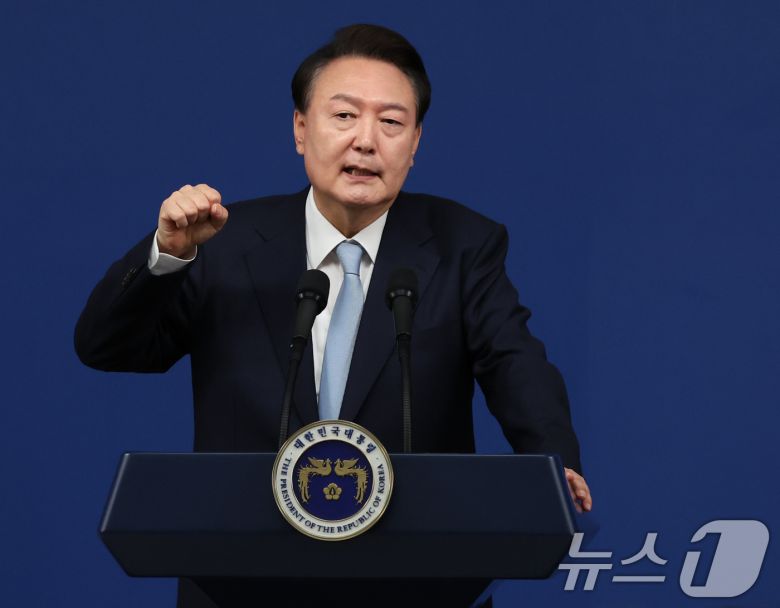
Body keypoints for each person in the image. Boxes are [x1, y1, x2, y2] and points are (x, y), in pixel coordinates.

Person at [75, 23, 592, 608]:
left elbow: (514, 361)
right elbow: (106, 347)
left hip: (415, 582)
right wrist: (168, 254)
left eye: (391, 122)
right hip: (240, 581)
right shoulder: (222, 241)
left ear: (415, 143)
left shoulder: (463, 244)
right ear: (301, 128)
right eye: (344, 116)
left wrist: (552, 462)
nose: (366, 141)